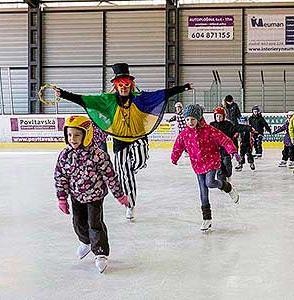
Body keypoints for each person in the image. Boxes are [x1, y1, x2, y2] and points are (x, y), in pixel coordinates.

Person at [55, 63, 192, 222]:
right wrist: (64, 94)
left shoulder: (140, 98)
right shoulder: (108, 100)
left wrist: (183, 88)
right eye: (120, 84)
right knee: (124, 175)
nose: (124, 87)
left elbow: (161, 94)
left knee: (140, 161)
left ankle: (132, 168)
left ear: (131, 85)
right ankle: (130, 205)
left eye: (127, 84)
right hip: (120, 139)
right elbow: (86, 100)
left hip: (138, 136)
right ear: (116, 86)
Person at [54, 115, 129, 273]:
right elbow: (60, 177)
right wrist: (62, 198)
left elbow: (110, 175)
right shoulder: (65, 155)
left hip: (95, 196)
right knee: (78, 222)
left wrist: (119, 195)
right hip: (76, 196)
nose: (72, 139)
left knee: (94, 224)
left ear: (86, 135)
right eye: (69, 135)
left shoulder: (97, 154)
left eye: (77, 135)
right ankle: (85, 242)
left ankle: (100, 253)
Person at [171, 104, 240, 232]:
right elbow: (178, 146)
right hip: (197, 164)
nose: (190, 122)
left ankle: (228, 187)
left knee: (210, 182)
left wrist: (233, 151)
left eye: (192, 119)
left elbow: (223, 139)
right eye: (187, 119)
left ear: (198, 118)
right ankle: (207, 219)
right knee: (203, 191)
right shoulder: (185, 134)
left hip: (211, 160)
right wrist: (174, 157)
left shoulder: (209, 130)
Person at [209, 106, 252, 182]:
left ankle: (228, 175)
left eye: (220, 116)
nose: (218, 118)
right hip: (216, 151)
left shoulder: (228, 125)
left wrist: (249, 128)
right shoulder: (212, 125)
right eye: (217, 116)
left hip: (226, 150)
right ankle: (222, 183)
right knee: (219, 168)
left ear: (224, 116)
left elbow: (237, 127)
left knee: (227, 164)